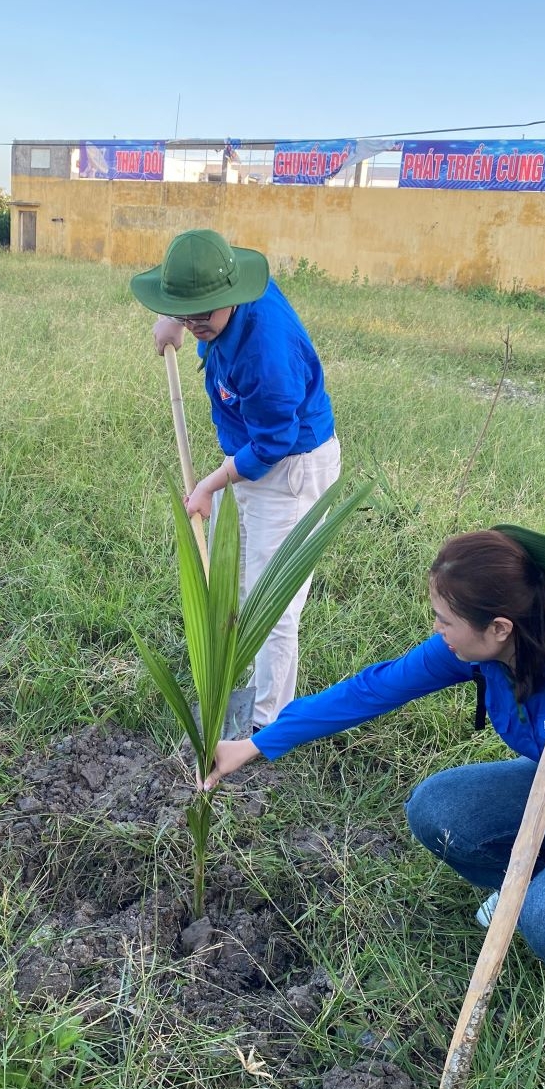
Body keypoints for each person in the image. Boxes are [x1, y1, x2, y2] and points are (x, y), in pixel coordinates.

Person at [202, 526, 545, 1029]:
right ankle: (543, 878)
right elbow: (373, 689)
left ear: (498, 626)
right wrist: (256, 744)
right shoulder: (482, 651)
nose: (438, 631)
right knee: (439, 810)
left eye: (444, 619)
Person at [131, 229, 341, 730]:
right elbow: (189, 295)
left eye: (202, 315)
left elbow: (272, 443)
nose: (194, 323)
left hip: (289, 467)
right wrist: (172, 318)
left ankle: (267, 722)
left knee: (272, 601)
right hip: (245, 457)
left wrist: (210, 483)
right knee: (233, 579)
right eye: (186, 311)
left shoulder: (266, 352)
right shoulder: (218, 290)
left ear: (231, 297)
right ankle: (233, 679)